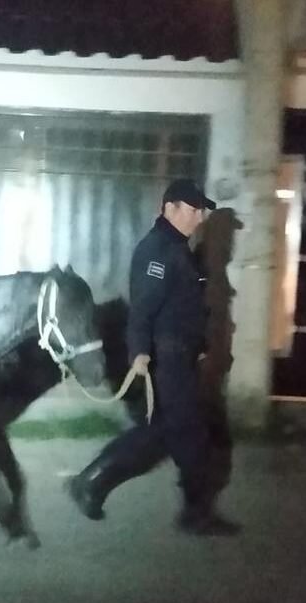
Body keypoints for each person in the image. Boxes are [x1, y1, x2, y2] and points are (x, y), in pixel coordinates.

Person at [66, 178, 240, 536]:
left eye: (201, 210)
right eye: (193, 210)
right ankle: (194, 514)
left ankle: (90, 483)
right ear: (170, 208)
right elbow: (144, 307)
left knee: (160, 433)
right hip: (167, 359)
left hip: (178, 357)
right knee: (189, 434)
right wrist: (140, 352)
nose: (199, 217)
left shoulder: (177, 249)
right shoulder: (158, 250)